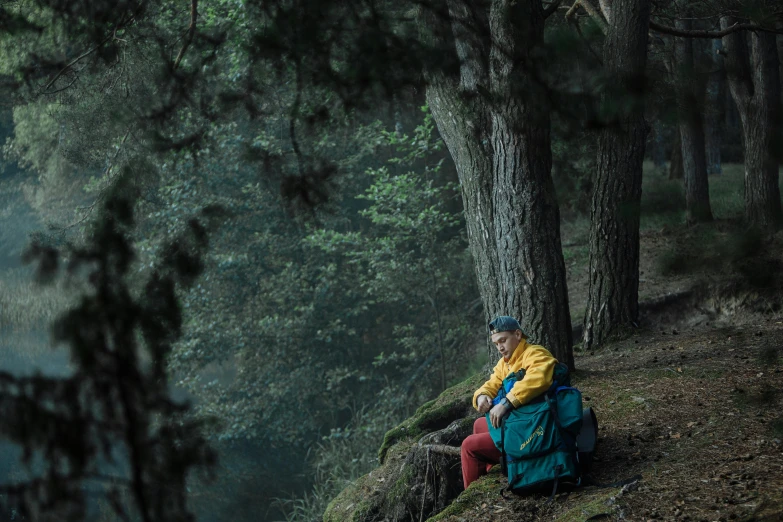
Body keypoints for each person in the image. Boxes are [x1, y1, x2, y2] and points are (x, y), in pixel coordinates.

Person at [460, 315, 558, 489]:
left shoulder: (535, 353)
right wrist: (481, 396)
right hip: (521, 420)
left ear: (518, 335)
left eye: (503, 341)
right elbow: (492, 383)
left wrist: (505, 403)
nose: (500, 347)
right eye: (496, 344)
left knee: (468, 446)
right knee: (479, 424)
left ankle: (470, 492)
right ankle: (506, 467)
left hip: (534, 425)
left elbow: (538, 379)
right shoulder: (505, 363)